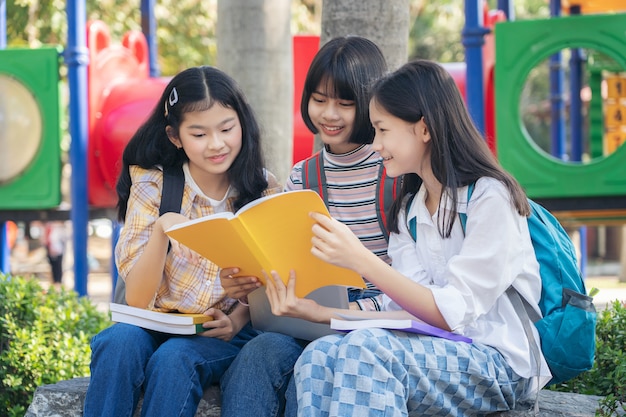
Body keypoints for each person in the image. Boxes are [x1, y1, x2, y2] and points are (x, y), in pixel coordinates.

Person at [263, 59, 552, 416]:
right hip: (438, 351)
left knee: (364, 350)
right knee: (317, 357)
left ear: (424, 129)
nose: (377, 143)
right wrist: (320, 313)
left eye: (383, 130)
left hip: (502, 363)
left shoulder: (490, 198)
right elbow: (403, 313)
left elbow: (449, 314)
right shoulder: (410, 211)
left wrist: (358, 258)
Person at [83, 66, 281, 417]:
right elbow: (138, 299)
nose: (217, 144)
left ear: (243, 124)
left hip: (220, 335)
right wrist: (162, 230)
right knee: (117, 343)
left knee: (175, 358)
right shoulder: (154, 184)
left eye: (226, 128)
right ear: (175, 137)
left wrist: (237, 319)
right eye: (199, 133)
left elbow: (276, 277)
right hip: (156, 322)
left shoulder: (263, 190)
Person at [219, 35, 390, 417]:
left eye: (345, 104)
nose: (329, 114)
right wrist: (249, 288)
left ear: (369, 105)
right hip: (307, 319)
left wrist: (349, 314)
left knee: (319, 365)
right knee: (259, 353)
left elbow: (415, 278)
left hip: (375, 325)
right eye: (319, 100)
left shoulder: (394, 170)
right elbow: (284, 261)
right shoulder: (303, 176)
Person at [42, 221, 68, 288]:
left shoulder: (57, 229)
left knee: (58, 267)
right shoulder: (49, 228)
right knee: (54, 267)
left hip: (57, 250)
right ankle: (56, 282)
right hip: (51, 250)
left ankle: (58, 282)